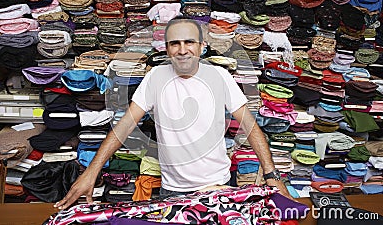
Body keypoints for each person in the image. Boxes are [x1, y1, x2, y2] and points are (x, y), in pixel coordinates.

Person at [55, 18, 291, 210]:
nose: (182, 50)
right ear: (166, 48)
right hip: (173, 190)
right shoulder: (155, 76)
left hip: (218, 185)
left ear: (201, 46)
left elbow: (250, 126)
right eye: (174, 43)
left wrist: (272, 175)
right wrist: (91, 172)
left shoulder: (220, 76)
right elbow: (124, 126)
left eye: (189, 42)